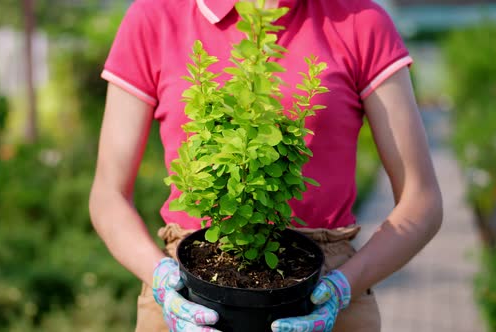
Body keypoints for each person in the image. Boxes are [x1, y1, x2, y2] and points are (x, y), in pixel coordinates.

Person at [88, 0, 443, 331]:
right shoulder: (156, 16)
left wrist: (343, 287)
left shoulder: (359, 20)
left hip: (326, 279)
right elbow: (108, 195)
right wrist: (162, 278)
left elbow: (422, 200)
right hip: (189, 288)